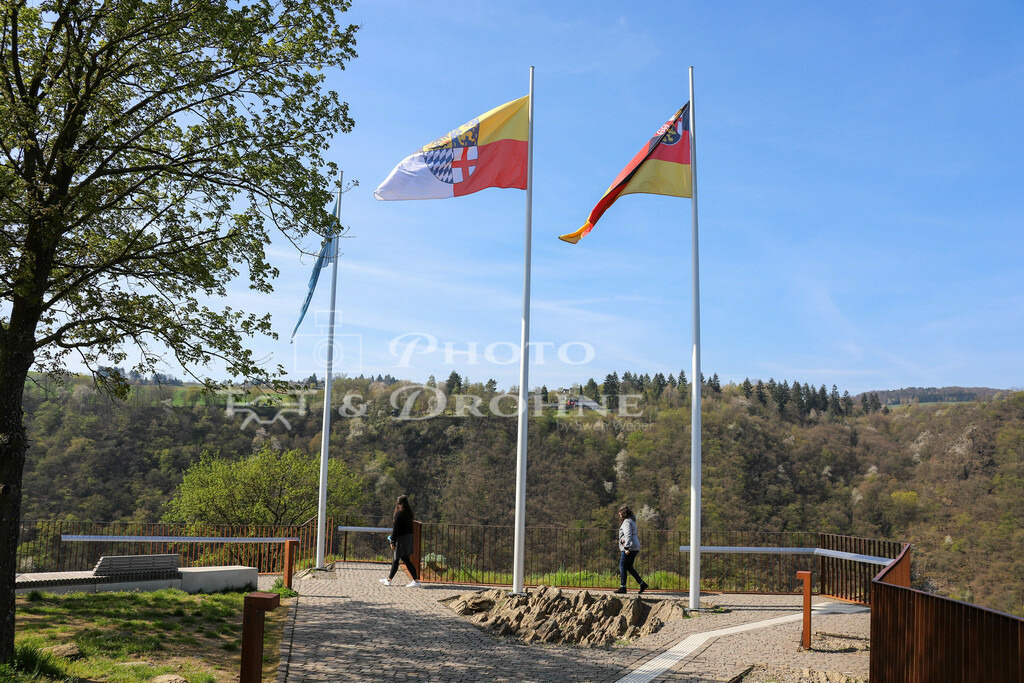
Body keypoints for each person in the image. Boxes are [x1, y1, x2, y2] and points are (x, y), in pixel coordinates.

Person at [380, 495, 421, 587]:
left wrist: (392, 541)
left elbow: (396, 529)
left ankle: (390, 580)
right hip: (408, 537)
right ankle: (390, 579)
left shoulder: (399, 514)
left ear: (399, 504)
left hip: (401, 539)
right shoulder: (409, 513)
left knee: (398, 559)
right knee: (404, 559)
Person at [615, 504, 648, 595]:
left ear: (624, 513)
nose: (619, 513)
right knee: (628, 566)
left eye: (620, 512)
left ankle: (623, 587)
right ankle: (642, 584)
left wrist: (626, 547)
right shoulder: (631, 521)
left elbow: (628, 535)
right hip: (635, 546)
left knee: (622, 566)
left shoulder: (626, 522)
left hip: (630, 547)